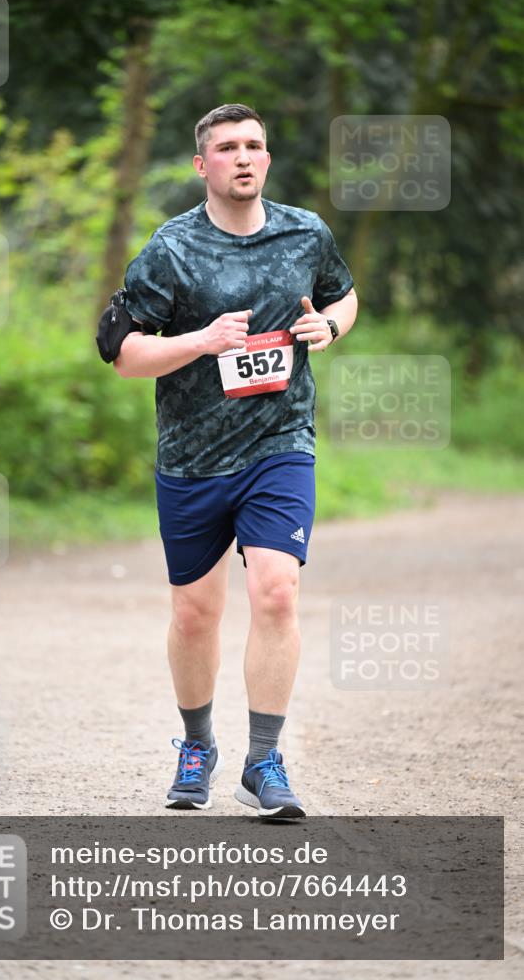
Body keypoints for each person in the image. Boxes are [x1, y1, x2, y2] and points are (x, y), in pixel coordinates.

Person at [115, 103, 357, 819]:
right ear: (202, 165)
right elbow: (125, 355)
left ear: (267, 159)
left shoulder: (304, 233)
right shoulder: (171, 249)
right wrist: (199, 341)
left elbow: (343, 298)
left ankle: (264, 760)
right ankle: (197, 746)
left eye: (254, 145)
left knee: (276, 590)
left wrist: (328, 327)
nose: (243, 157)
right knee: (195, 614)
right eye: (227, 148)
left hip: (278, 444)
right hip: (191, 456)